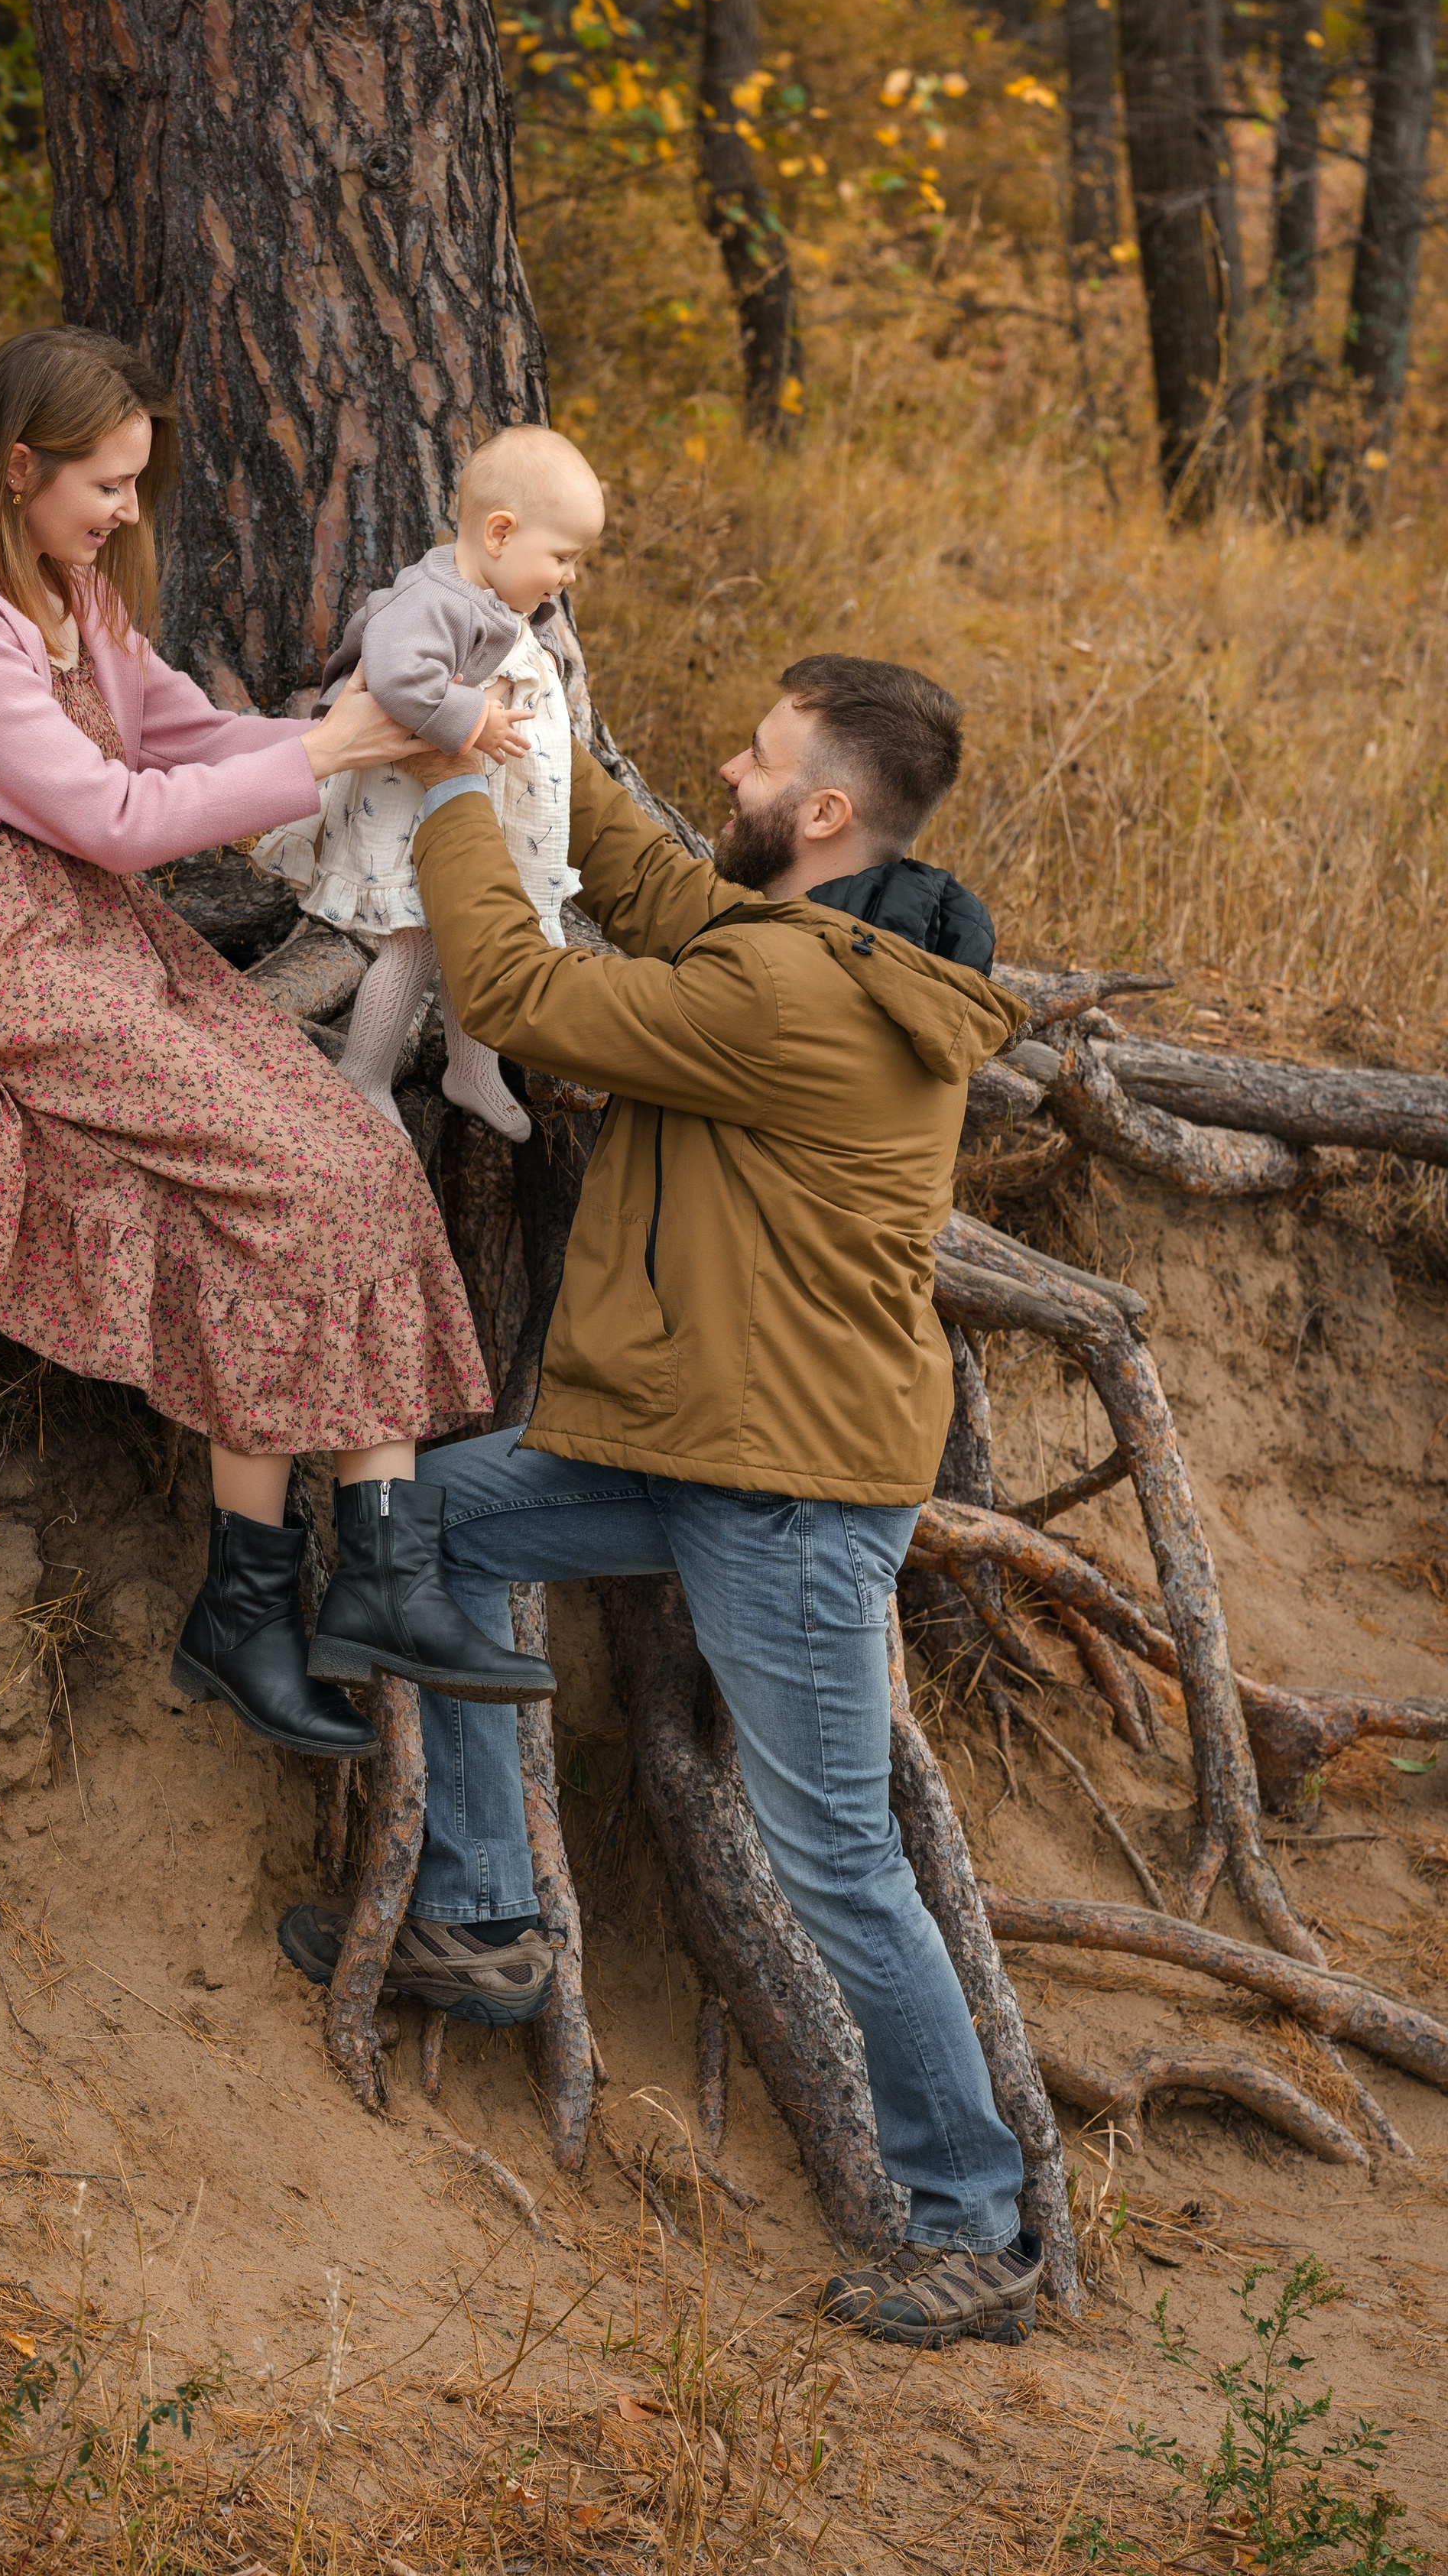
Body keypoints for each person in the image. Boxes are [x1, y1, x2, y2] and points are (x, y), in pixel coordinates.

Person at [281, 655, 1047, 2347]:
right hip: (706, 1442)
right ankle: (482, 1912)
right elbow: (648, 883)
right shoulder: (815, 945)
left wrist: (457, 793)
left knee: (835, 1859)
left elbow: (514, 985)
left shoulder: (794, 999)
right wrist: (527, 714)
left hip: (778, 1492)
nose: (724, 761)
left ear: (823, 812)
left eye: (756, 755)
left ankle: (973, 2225)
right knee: (439, 1524)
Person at [0, 325, 554, 1783]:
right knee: (293, 1175)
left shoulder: (69, 590)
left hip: (103, 939)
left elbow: (179, 731)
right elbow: (109, 814)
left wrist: (355, 731)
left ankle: (344, 1588)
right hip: (4, 949)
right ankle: (283, 1601)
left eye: (135, 486)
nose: (126, 514)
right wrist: (338, 752)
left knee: (354, 1157)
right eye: (105, 483)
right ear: (17, 466)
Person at [258, 426, 602, 1144]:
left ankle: (470, 1070)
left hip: (471, 802)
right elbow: (397, 675)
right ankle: (364, 1072)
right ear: (500, 533)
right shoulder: (434, 597)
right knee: (413, 939)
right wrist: (472, 715)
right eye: (563, 557)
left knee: (472, 935)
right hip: (411, 799)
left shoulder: (488, 591)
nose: (568, 576)